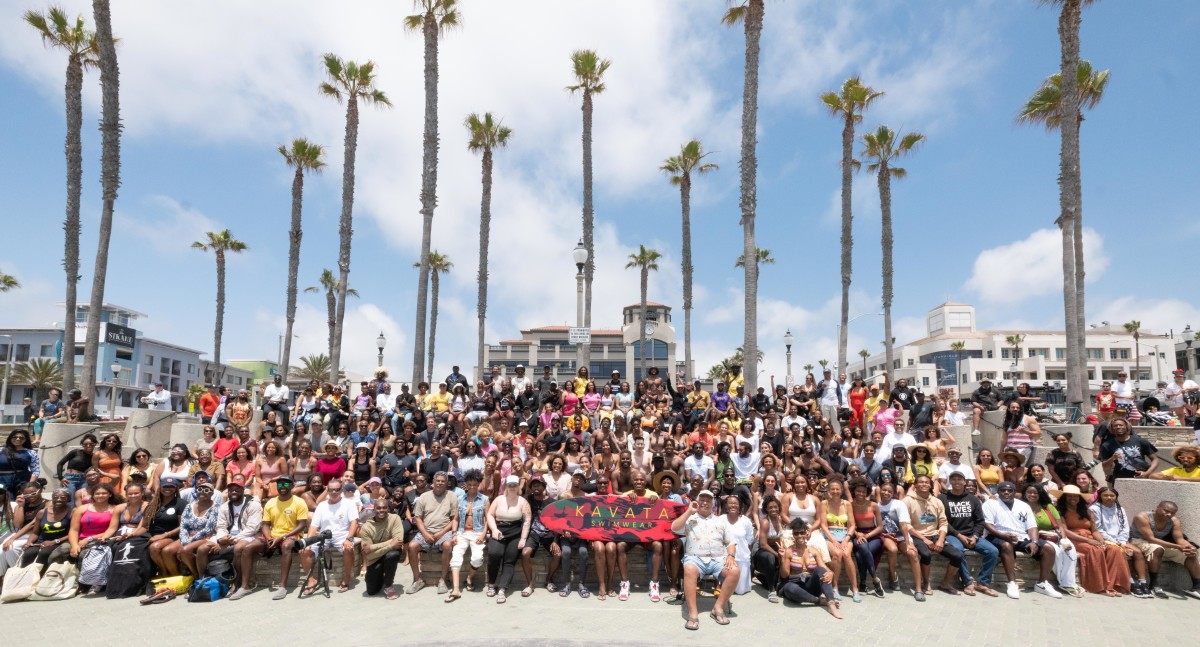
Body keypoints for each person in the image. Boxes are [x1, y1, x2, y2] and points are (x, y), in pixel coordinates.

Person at [672, 489, 739, 631]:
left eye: (708, 500)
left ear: (713, 504)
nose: (705, 503)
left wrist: (731, 555)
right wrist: (689, 511)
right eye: (702, 499)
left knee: (735, 570)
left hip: (717, 559)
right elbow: (674, 528)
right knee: (689, 569)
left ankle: (718, 608)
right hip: (695, 559)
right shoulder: (690, 518)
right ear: (697, 502)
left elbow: (731, 543)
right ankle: (693, 613)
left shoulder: (720, 521)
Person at [983, 480, 1062, 599]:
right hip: (997, 535)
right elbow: (988, 525)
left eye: (1010, 490)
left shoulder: (1023, 506)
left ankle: (1041, 584)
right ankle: (1012, 583)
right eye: (1002, 490)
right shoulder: (990, 504)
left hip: (1021, 536)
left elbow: (1032, 527)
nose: (1006, 492)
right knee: (1006, 546)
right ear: (998, 492)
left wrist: (1034, 542)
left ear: (1015, 492)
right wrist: (1004, 536)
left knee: (1048, 549)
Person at [1057, 484, 1130, 596]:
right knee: (1095, 550)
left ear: (1079, 498)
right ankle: (1099, 587)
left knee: (1113, 549)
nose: (1073, 498)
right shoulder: (1060, 511)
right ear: (1064, 498)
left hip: (1090, 536)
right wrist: (1088, 541)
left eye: (1075, 496)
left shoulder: (1087, 510)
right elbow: (1066, 531)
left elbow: (1095, 530)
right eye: (1069, 496)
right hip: (1074, 539)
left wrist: (1102, 541)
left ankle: (1112, 585)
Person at [248, 475, 310, 600]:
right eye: (280, 484)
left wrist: (282, 537)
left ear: (292, 486)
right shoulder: (270, 503)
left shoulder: (299, 502)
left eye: (286, 484)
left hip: (292, 535)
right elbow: (265, 524)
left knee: (286, 546)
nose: (282, 487)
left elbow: (302, 525)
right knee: (249, 547)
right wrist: (268, 537)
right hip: (273, 535)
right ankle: (243, 586)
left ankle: (282, 586)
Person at [940, 471, 999, 596]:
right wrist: (959, 535)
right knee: (958, 550)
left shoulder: (973, 499)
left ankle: (983, 582)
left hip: (971, 534)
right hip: (952, 535)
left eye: (959, 479)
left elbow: (980, 521)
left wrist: (975, 536)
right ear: (950, 482)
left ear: (964, 482)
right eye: (953, 479)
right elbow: (942, 521)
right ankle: (968, 583)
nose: (957, 482)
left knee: (993, 551)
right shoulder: (942, 498)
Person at [903, 474, 960, 601]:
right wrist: (924, 539)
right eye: (921, 482)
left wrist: (940, 539)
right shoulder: (907, 501)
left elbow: (943, 522)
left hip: (935, 535)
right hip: (917, 535)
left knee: (957, 555)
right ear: (916, 485)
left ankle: (946, 583)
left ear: (930, 485)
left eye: (926, 483)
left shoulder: (937, 501)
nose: (924, 484)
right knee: (926, 554)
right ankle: (926, 583)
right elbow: (905, 525)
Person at [299, 478, 359, 595]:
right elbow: (314, 526)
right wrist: (308, 542)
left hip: (342, 535)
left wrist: (348, 538)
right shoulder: (321, 505)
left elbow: (354, 523)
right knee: (304, 550)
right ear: (327, 489)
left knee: (348, 548)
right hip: (323, 536)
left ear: (341, 490)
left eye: (337, 489)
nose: (334, 492)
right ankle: (311, 580)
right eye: (331, 490)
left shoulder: (349, 503)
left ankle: (346, 578)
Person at [1130, 501, 1200, 599]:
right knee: (1157, 549)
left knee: (1191, 554)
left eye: (1172, 513)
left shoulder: (1174, 520)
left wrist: (1189, 547)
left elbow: (1179, 539)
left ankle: (1197, 587)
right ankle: (1154, 585)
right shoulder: (1142, 517)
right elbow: (1151, 539)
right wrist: (1178, 547)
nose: (1169, 514)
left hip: (1160, 542)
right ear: (1158, 507)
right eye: (1166, 511)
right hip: (1139, 541)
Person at [1090, 486, 1151, 597]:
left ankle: (1143, 582)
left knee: (1137, 552)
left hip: (1120, 540)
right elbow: (1098, 529)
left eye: (1112, 495)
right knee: (1120, 551)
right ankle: (1130, 582)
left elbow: (1125, 527)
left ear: (1116, 497)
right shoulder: (1095, 509)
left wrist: (1122, 541)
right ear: (1100, 496)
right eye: (1105, 495)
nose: (1109, 497)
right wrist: (1115, 542)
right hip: (1104, 539)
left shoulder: (1120, 509)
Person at [1024, 483, 1081, 597]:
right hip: (1037, 537)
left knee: (1070, 551)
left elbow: (1059, 525)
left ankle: (1069, 583)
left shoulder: (1048, 507)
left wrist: (1064, 539)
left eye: (1035, 492)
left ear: (1040, 494)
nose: (1032, 495)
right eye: (1029, 492)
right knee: (1056, 552)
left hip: (1055, 535)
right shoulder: (1022, 507)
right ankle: (1061, 582)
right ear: (1025, 494)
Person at [778, 519, 842, 618]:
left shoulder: (814, 551)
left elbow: (823, 568)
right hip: (795, 585)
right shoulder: (789, 551)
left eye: (802, 532)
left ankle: (831, 603)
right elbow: (784, 575)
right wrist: (782, 558)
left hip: (811, 585)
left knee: (821, 571)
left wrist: (831, 573)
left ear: (807, 533)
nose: (799, 536)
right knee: (789, 588)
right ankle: (819, 601)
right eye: (796, 533)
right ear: (793, 535)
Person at [406, 471, 457, 594]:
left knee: (447, 545)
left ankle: (442, 580)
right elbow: (417, 517)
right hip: (426, 531)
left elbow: (454, 519)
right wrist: (425, 533)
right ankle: (417, 580)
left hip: (444, 532)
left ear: (446, 483)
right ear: (433, 482)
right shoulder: (423, 497)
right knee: (412, 546)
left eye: (443, 481)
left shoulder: (452, 496)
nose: (440, 483)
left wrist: (441, 533)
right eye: (437, 480)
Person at [485, 474, 531, 604]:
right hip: (499, 530)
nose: (512, 487)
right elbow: (490, 514)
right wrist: (493, 529)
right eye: (509, 485)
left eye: (514, 485)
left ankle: (502, 589)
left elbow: (527, 520)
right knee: (494, 554)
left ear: (518, 487)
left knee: (509, 561)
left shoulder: (523, 501)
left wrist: (523, 538)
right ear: (506, 486)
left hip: (515, 533)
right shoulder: (499, 499)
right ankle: (492, 584)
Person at [446, 469, 488, 602]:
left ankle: (470, 577)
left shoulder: (485, 499)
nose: (472, 487)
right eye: (469, 484)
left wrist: (483, 534)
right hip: (462, 532)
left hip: (477, 532)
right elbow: (456, 519)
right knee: (456, 558)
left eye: (475, 484)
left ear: (479, 484)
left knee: (477, 558)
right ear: (466, 484)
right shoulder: (460, 499)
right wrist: (454, 534)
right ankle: (456, 589)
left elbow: (488, 519)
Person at [358, 497, 405, 599]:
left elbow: (399, 541)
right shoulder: (366, 527)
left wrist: (372, 547)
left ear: (388, 509)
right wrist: (390, 544)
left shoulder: (395, 518)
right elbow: (368, 554)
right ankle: (381, 578)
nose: (381, 510)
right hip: (374, 559)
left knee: (393, 554)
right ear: (374, 509)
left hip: (389, 554)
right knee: (371, 591)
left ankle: (388, 585)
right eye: (378, 508)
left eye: (384, 508)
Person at [176, 480, 219, 577]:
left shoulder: (216, 507)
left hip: (206, 537)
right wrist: (184, 540)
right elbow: (183, 526)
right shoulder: (189, 506)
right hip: (188, 537)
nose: (202, 492)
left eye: (207, 490)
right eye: (200, 489)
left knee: (185, 550)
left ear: (212, 493)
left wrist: (187, 542)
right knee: (168, 550)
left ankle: (197, 576)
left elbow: (208, 529)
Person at [1100, 417, 1158, 484]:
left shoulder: (1140, 441)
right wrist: (1112, 458)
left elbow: (1155, 459)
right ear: (1112, 429)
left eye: (1121, 425)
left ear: (1127, 427)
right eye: (1115, 426)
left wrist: (1147, 473)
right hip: (1120, 479)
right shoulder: (1107, 445)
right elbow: (1105, 465)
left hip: (1140, 477)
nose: (1118, 427)